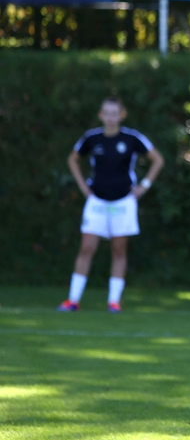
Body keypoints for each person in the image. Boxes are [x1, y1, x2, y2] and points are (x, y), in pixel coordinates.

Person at [57, 96, 164, 313]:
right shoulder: (92, 138)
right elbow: (72, 159)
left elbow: (157, 159)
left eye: (115, 113)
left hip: (124, 202)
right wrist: (83, 187)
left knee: (119, 249)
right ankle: (73, 300)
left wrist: (143, 186)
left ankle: (114, 301)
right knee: (87, 248)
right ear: (101, 115)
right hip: (97, 201)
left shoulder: (132, 138)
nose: (111, 118)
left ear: (121, 115)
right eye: (107, 113)